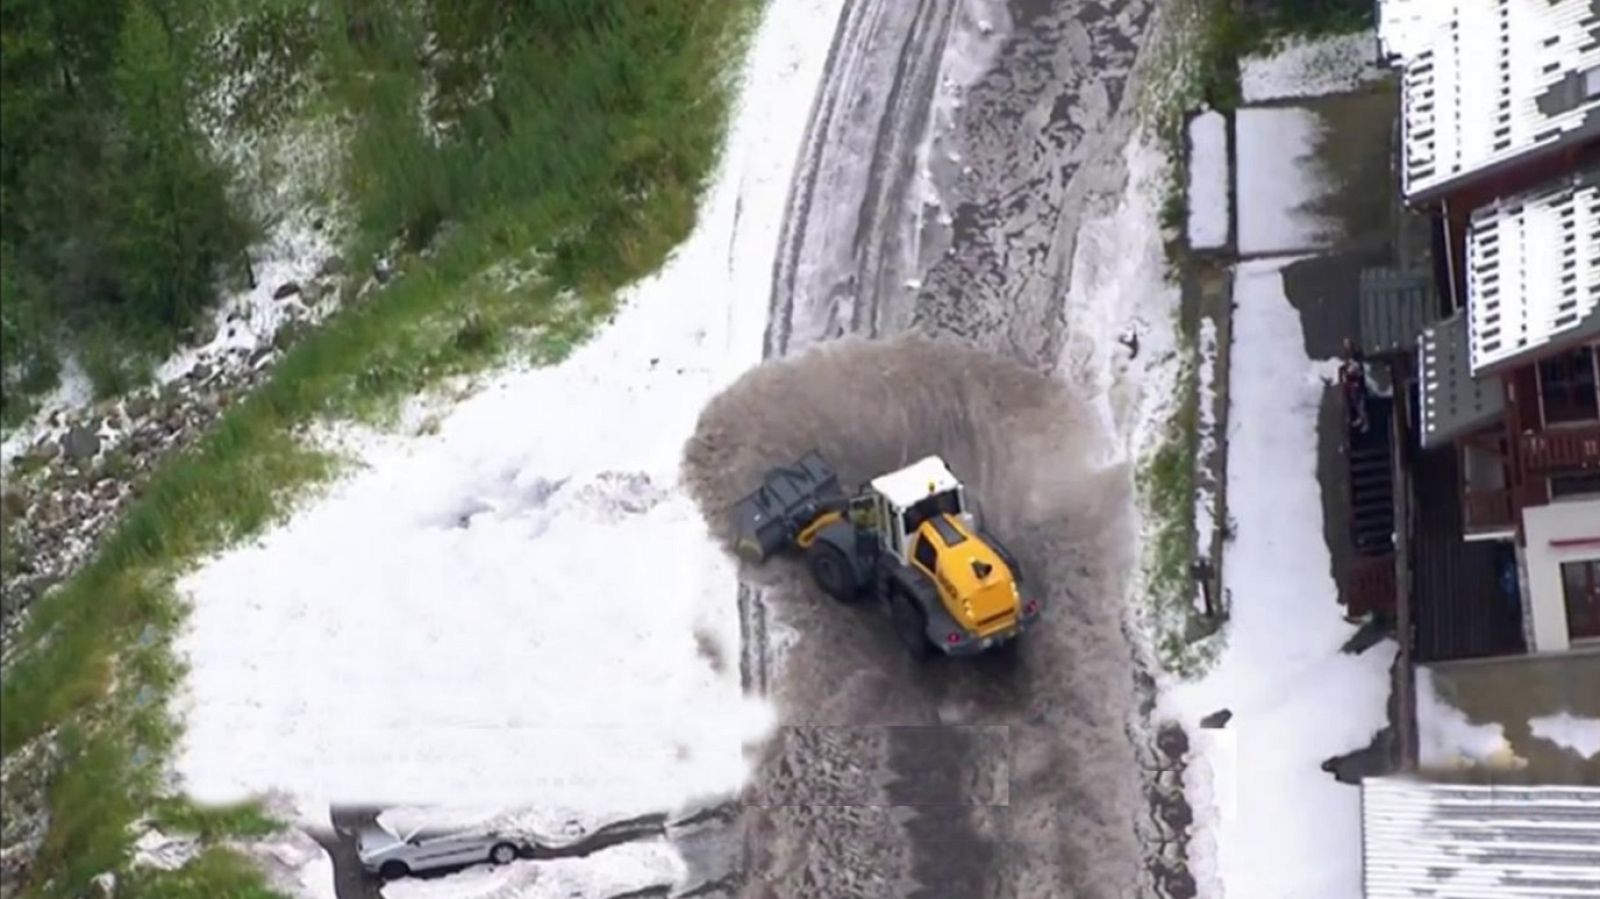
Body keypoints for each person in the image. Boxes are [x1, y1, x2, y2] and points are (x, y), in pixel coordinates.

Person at [1340, 338, 1369, 433]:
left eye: (1347, 345)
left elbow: (1357, 367)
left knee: (1359, 403)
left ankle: (1364, 421)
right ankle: (1359, 418)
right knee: (1354, 402)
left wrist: (1352, 369)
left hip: (1357, 383)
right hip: (1351, 383)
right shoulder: (1347, 356)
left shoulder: (1355, 356)